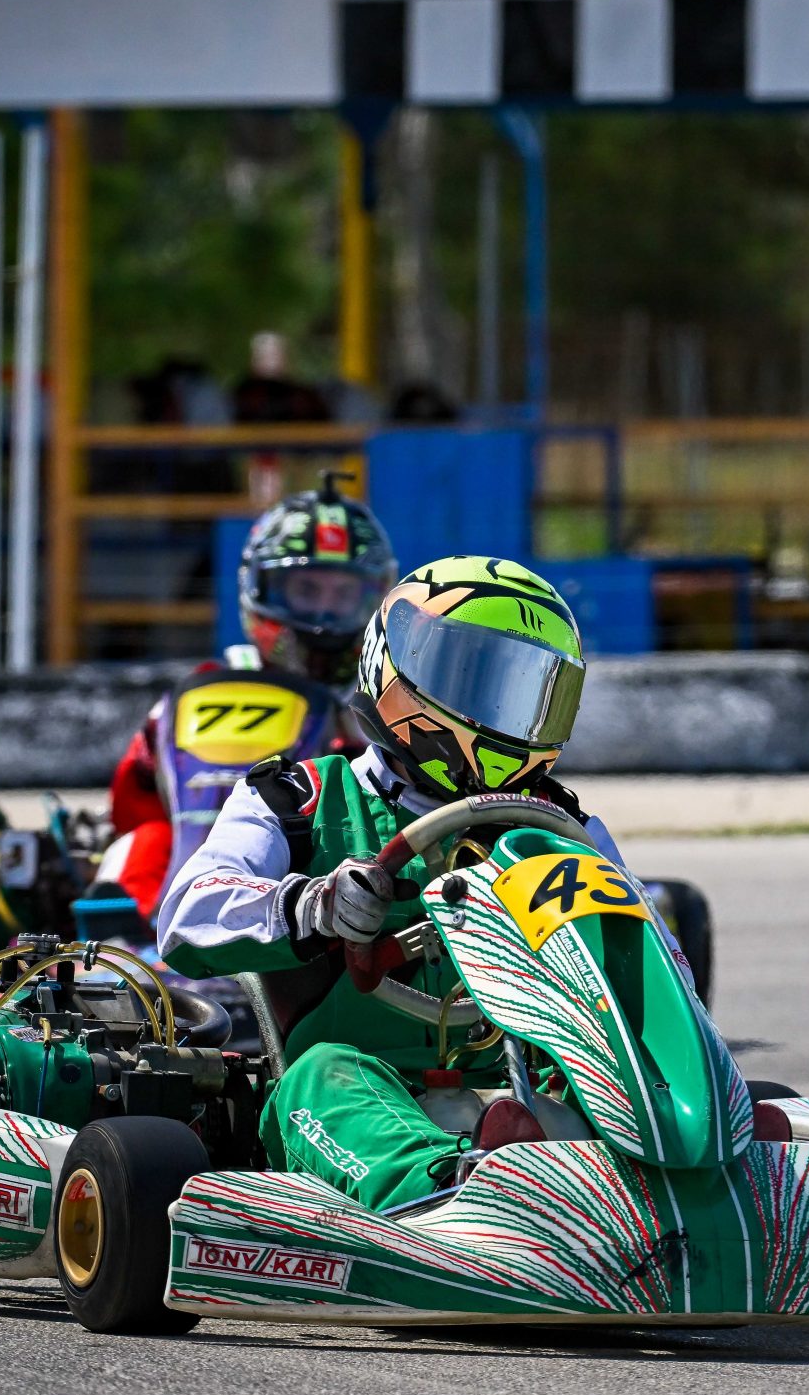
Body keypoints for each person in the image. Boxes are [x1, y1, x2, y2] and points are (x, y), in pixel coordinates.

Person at [156, 556, 647, 1215]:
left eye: (527, 692)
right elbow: (186, 916)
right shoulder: (295, 799)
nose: (504, 715)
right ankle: (445, 1197)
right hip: (351, 1097)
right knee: (323, 1073)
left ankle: (663, 1178)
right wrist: (312, 904)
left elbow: (654, 969)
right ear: (397, 667)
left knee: (622, 1074)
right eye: (478, 681)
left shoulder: (562, 829)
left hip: (519, 1095)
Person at [92, 481, 395, 917]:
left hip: (323, 872)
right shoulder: (206, 686)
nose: (324, 616)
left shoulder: (383, 697)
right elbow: (132, 804)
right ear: (261, 588)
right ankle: (124, 937)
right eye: (307, 591)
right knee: (137, 843)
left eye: (342, 595)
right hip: (179, 880)